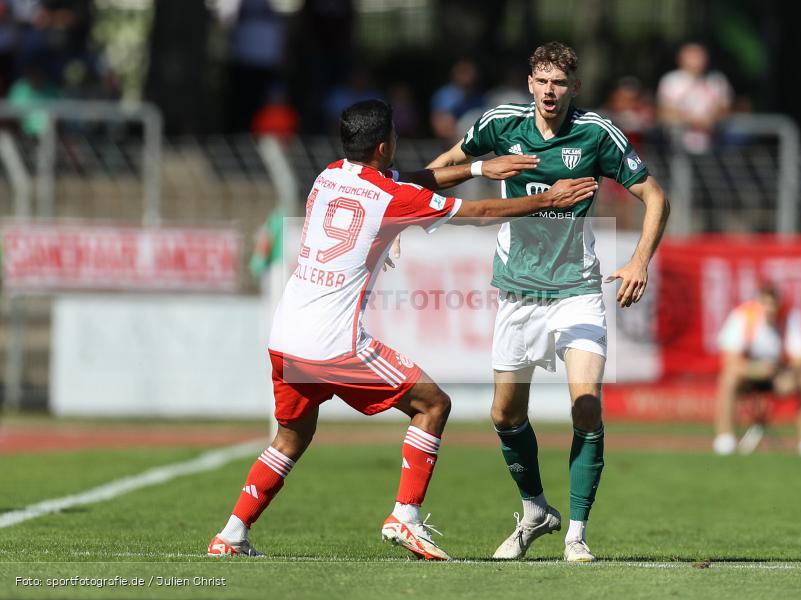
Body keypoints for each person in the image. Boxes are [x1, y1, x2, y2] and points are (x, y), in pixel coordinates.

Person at [207, 99, 598, 561]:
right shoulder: (392, 198)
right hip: (335, 343)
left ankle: (231, 534)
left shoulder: (328, 175)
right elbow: (476, 214)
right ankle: (405, 517)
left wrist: (477, 165)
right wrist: (546, 200)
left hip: (286, 337)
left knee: (291, 437)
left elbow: (410, 181)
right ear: (383, 144)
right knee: (433, 404)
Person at [427, 41, 669, 562]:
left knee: (585, 403)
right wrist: (409, 212)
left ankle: (576, 535)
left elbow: (655, 197)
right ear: (529, 83)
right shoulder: (499, 124)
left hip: (578, 291)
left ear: (574, 87)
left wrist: (640, 261)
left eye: (560, 82)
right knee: (504, 412)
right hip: (517, 291)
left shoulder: (596, 133)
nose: (550, 91)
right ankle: (536, 509)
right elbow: (443, 165)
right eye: (541, 80)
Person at [713, 284, 801, 457]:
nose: (770, 310)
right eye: (766, 304)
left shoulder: (789, 318)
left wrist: (789, 372)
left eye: (773, 305)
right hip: (749, 376)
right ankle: (725, 439)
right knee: (728, 378)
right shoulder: (743, 317)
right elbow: (730, 361)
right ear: (758, 304)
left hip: (778, 376)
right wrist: (754, 370)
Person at [657, 41, 732, 154]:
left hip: (713, 147)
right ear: (681, 59)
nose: (697, 60)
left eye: (700, 56)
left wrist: (710, 119)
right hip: (678, 147)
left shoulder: (717, 80)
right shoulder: (670, 81)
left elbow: (724, 108)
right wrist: (693, 120)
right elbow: (664, 111)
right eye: (693, 56)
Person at [430, 58, 484, 145]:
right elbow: (440, 127)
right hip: (455, 145)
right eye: (463, 72)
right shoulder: (445, 95)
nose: (467, 77)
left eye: (469, 72)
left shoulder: (479, 97)